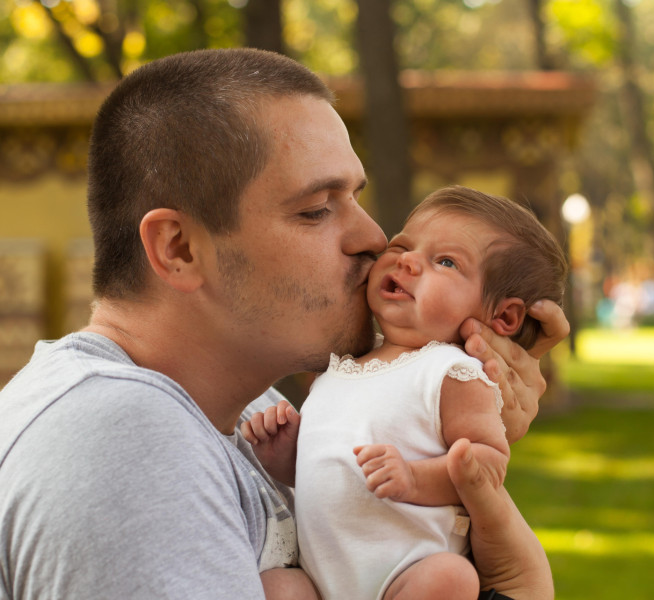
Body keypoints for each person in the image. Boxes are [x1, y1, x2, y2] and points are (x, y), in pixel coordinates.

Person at [0, 48, 566, 599]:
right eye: (317, 209)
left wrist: (445, 426)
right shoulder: (123, 445)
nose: (374, 238)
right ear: (179, 249)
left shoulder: (245, 412)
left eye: (355, 198)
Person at [244, 186, 567, 599]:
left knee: (452, 577)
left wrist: (414, 478)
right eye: (402, 245)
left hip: (405, 569)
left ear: (502, 316)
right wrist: (288, 456)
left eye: (445, 261)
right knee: (276, 585)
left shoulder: (453, 372)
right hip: (320, 577)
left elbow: (486, 464)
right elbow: (333, 471)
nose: (407, 261)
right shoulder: (339, 369)